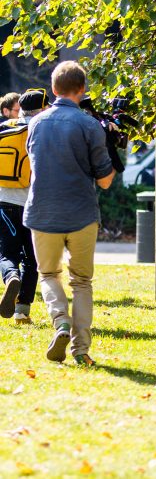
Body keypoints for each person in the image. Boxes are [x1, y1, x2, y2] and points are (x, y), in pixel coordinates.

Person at [24, 61, 114, 366]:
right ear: (83, 89)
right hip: (81, 213)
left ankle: (60, 322)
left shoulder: (36, 123)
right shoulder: (90, 126)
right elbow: (104, 180)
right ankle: (80, 349)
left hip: (43, 210)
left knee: (48, 274)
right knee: (82, 282)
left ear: (52, 89)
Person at [0, 90, 50, 324]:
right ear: (42, 109)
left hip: (4, 201)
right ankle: (22, 310)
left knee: (7, 252)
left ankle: (10, 276)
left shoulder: (4, 128)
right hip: (34, 205)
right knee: (32, 258)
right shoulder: (43, 131)